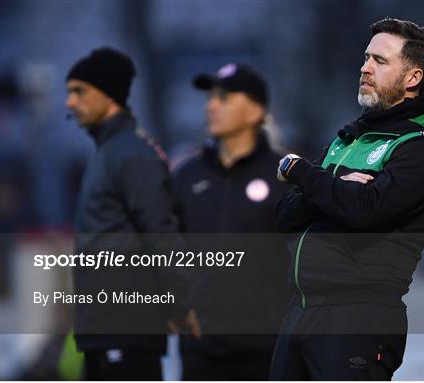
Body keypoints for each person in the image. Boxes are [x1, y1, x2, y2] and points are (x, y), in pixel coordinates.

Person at [271, 18, 424, 380]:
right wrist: (333, 186)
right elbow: (284, 215)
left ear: (412, 78)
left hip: (357, 316)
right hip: (300, 310)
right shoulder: (350, 138)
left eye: (379, 61)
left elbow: (364, 209)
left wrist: (303, 172)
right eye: (366, 58)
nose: (365, 67)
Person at [65, 47, 199, 380]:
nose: (70, 102)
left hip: (125, 325)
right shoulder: (109, 152)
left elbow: (160, 234)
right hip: (103, 327)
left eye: (79, 91)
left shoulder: (132, 155)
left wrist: (182, 304)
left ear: (108, 94)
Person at [171, 63, 290, 380]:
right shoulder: (187, 175)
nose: (211, 106)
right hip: (201, 350)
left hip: (267, 348)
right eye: (211, 98)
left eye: (224, 98)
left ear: (255, 111)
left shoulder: (285, 176)